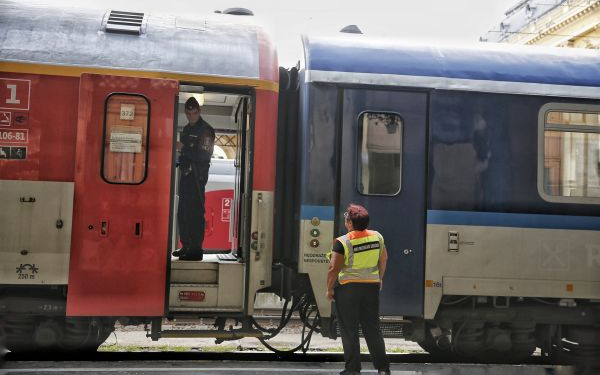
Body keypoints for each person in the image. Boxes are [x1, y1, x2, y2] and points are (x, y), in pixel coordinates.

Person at [326, 204, 390, 375]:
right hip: (371, 288)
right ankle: (383, 368)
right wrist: (379, 279)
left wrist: (329, 289)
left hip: (348, 290)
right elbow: (384, 259)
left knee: (349, 329)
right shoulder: (377, 237)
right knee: (373, 328)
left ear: (350, 223)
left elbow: (334, 268)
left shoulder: (343, 242)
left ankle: (353, 369)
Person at [173, 97, 215, 261]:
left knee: (195, 213)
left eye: (194, 113)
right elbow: (185, 155)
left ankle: (196, 249)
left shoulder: (206, 131)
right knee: (182, 212)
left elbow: (203, 156)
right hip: (185, 175)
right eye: (189, 113)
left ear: (199, 111)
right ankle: (186, 246)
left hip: (197, 177)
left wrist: (183, 148)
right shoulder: (185, 130)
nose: (191, 116)